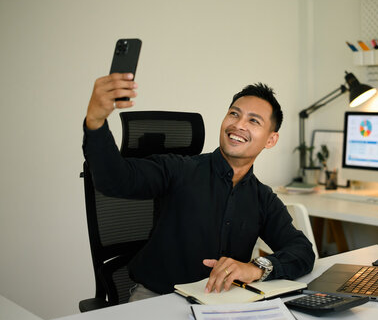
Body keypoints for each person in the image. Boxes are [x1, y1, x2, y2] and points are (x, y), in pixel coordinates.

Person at [83, 73, 315, 301]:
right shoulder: (180, 169)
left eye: (253, 121)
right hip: (159, 298)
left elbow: (302, 251)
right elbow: (114, 180)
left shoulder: (262, 197)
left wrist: (256, 269)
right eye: (234, 114)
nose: (239, 125)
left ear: (270, 139)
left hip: (222, 300)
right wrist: (95, 122)